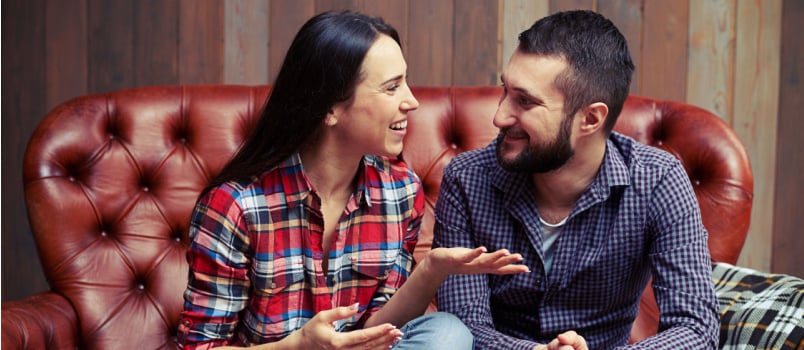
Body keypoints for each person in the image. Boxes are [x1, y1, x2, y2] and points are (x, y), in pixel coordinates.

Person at [177, 10, 529, 350]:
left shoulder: (402, 191)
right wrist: (298, 346)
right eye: (391, 88)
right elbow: (200, 346)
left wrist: (430, 271)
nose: (412, 101)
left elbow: (375, 335)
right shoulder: (235, 206)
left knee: (446, 333)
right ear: (329, 107)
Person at [433, 10, 719, 350]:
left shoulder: (658, 180)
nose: (500, 116)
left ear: (591, 118)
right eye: (505, 91)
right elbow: (464, 326)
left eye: (525, 101)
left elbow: (696, 328)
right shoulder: (466, 179)